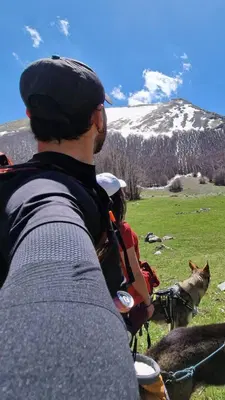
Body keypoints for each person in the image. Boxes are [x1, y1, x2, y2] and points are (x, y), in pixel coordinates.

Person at [0, 56, 139, 399]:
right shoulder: (50, 197)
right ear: (97, 118)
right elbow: (53, 256)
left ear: (31, 115)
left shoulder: (28, 184)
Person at [96, 172, 155, 335]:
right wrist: (148, 303)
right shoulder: (122, 231)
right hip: (120, 301)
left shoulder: (89, 227)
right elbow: (134, 273)